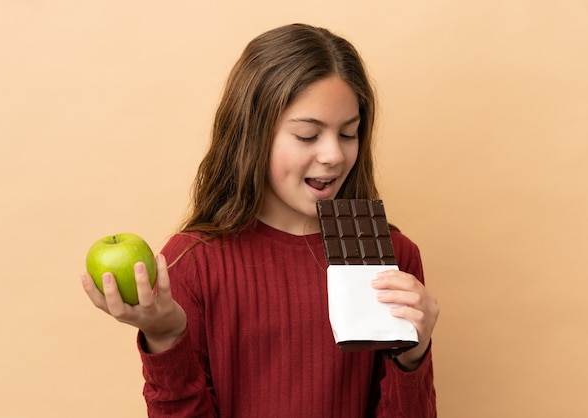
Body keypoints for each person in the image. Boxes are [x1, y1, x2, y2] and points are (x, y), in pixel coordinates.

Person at [82, 23, 439, 417]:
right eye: (307, 136)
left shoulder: (391, 256)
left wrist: (413, 356)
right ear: (252, 134)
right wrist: (166, 337)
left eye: (349, 134)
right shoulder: (193, 262)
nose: (334, 155)